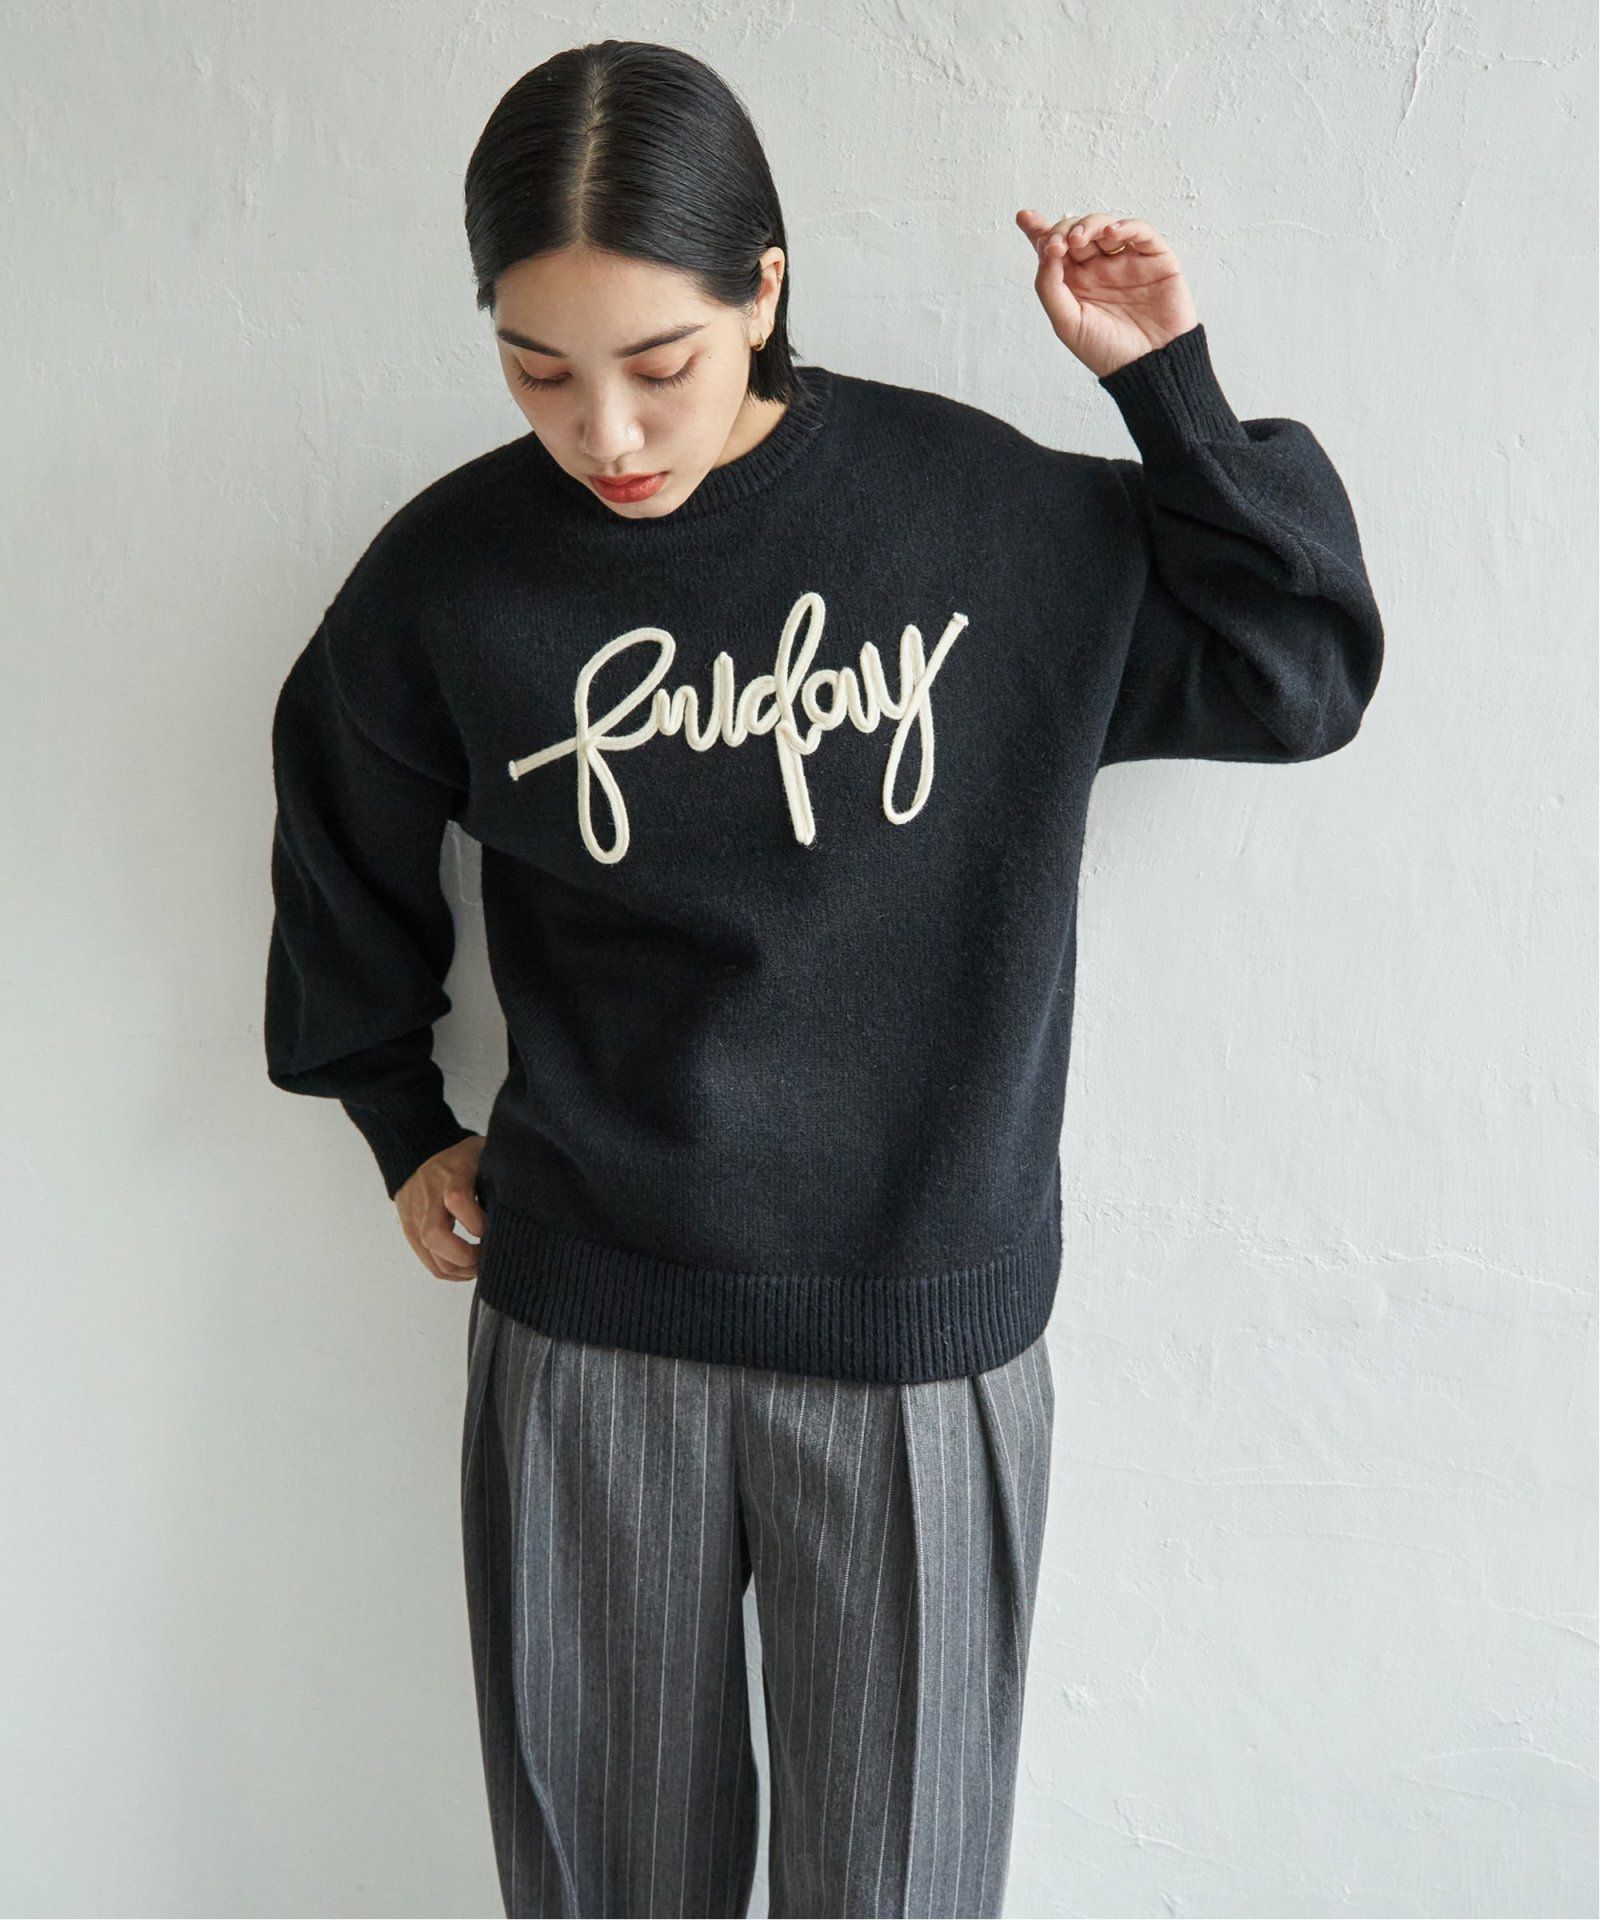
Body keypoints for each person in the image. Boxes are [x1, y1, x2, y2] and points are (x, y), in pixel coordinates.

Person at [263, 38, 1384, 1920]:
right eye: (538, 371)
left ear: (764, 287)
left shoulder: (984, 520)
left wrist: (1166, 388)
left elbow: (1301, 671)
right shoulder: (456, 575)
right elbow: (337, 813)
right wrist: (395, 1113)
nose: (606, 433)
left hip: (919, 1337)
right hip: (592, 1327)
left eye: (660, 364)